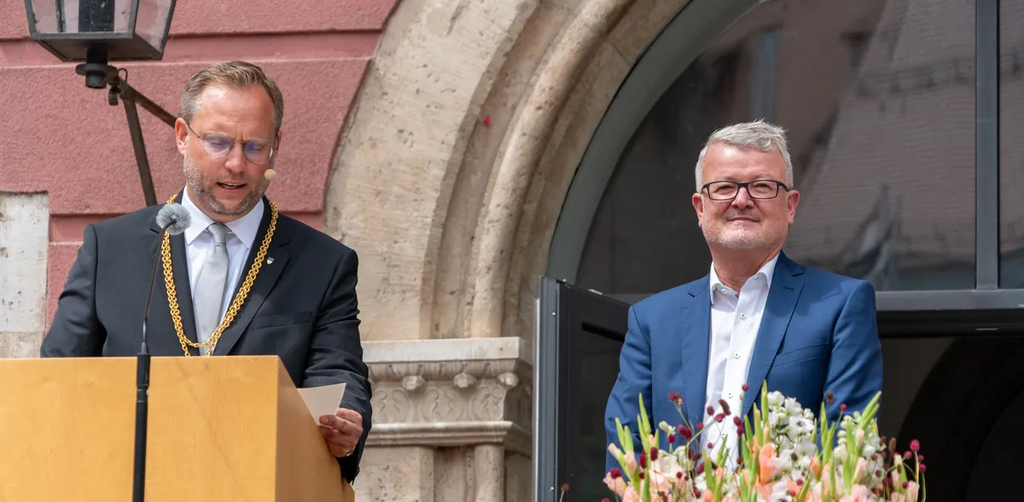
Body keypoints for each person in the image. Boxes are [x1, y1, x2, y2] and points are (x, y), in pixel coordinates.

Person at [41, 60, 371, 483]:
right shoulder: (112, 249)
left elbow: (337, 371)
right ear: (182, 136)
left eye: (254, 146)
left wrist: (345, 420)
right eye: (218, 142)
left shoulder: (323, 263)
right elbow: (56, 379)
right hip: (128, 481)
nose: (236, 164)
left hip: (261, 481)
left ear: (276, 145)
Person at [603, 120, 882, 471]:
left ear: (790, 206)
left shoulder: (840, 305)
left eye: (762, 186)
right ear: (700, 208)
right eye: (723, 187)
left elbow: (847, 444)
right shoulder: (652, 321)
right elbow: (626, 445)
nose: (742, 200)